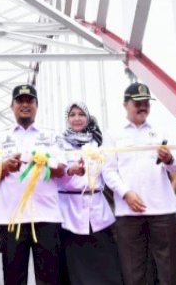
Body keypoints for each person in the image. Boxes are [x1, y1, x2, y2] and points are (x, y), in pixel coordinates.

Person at [102, 83, 176, 285]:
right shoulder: (113, 133)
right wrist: (125, 194)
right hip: (129, 212)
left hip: (162, 210)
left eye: (146, 103)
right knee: (134, 271)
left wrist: (168, 159)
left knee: (169, 271)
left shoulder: (160, 131)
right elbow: (108, 171)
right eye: (137, 103)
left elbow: (175, 168)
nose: (142, 107)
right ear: (125, 105)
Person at [0, 84, 66, 285]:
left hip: (46, 216)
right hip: (12, 219)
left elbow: (62, 170)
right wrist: (4, 166)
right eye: (20, 101)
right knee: (13, 278)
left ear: (37, 105)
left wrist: (46, 162)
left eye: (30, 100)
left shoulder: (52, 137)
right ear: (12, 106)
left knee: (50, 279)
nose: (25, 104)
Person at [56, 102, 122, 285]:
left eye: (81, 114)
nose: (77, 118)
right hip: (69, 209)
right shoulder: (59, 143)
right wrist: (70, 171)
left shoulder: (99, 142)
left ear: (88, 117)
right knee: (74, 265)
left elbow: (110, 171)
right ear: (67, 119)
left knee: (105, 261)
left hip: (97, 207)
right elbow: (53, 176)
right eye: (72, 115)